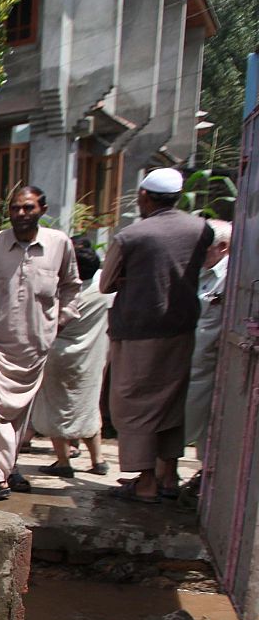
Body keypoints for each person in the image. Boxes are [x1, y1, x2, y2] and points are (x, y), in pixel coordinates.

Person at [100, 167, 213, 502]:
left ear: (145, 196)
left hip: (137, 332)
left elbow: (106, 283)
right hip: (181, 329)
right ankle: (169, 476)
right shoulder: (201, 229)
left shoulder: (132, 236)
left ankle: (145, 481)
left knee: (134, 405)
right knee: (171, 401)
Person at [0, 186, 82, 503]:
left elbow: (72, 286)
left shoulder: (59, 244)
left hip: (33, 349)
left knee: (18, 417)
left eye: (27, 208)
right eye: (15, 208)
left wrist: (60, 320)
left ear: (42, 208)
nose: (20, 214)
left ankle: (7, 470)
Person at [30, 238, 113, 477]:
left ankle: (63, 461)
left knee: (56, 407)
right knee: (88, 405)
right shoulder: (103, 293)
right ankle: (98, 460)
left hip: (58, 357)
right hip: (91, 358)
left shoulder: (62, 296)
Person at [182, 219, 231, 464]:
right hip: (190, 364)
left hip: (216, 369)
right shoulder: (198, 272)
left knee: (213, 430)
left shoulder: (231, 277)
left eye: (204, 246)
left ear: (222, 247)